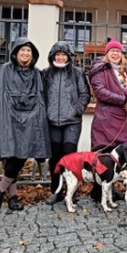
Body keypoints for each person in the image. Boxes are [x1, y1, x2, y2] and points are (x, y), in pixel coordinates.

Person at [0, 37, 51, 212]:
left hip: (30, 121)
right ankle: (13, 197)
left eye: (28, 51)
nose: (25, 53)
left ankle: (0, 189)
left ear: (33, 55)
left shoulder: (37, 74)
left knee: (21, 156)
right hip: (10, 119)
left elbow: (40, 99)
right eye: (22, 50)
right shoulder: (5, 71)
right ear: (15, 52)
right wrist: (3, 120)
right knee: (12, 157)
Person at [88, 40, 127, 202]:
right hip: (106, 119)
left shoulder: (125, 72)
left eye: (118, 51)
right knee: (103, 155)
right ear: (107, 53)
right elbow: (101, 92)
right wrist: (123, 100)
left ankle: (110, 189)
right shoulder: (100, 70)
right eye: (112, 51)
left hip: (121, 119)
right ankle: (97, 191)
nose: (115, 54)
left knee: (118, 159)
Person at [43, 42, 91, 206]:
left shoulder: (77, 73)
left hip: (72, 122)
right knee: (55, 158)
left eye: (64, 54)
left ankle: (72, 192)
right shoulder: (47, 74)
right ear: (53, 56)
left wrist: (76, 110)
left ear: (69, 56)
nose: (61, 57)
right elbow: (41, 95)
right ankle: (56, 191)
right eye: (58, 54)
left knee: (70, 157)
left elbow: (85, 94)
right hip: (52, 122)